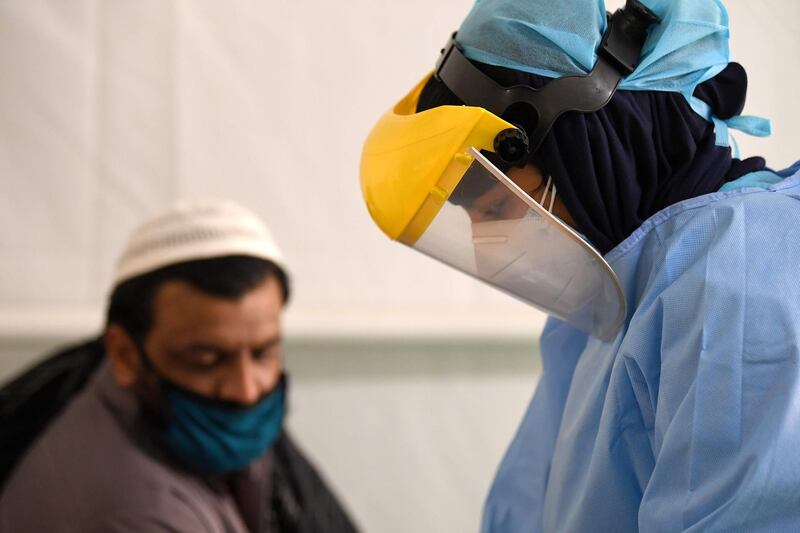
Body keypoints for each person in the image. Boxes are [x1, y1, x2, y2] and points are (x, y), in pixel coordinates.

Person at [360, 0, 800, 531]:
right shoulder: (613, 294)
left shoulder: (740, 275)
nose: (485, 246)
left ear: (585, 146)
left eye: (498, 206)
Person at [0, 200, 358, 533]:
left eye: (263, 353)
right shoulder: (139, 514)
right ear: (125, 355)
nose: (246, 389)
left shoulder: (138, 403)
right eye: (205, 361)